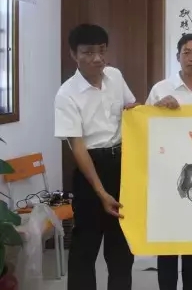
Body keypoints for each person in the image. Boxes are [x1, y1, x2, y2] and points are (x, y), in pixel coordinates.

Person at [54, 24, 138, 290]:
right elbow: (77, 147)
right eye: (88, 52)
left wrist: (157, 108)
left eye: (102, 51)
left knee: (121, 246)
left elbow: (132, 111)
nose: (97, 58)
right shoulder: (66, 94)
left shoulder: (115, 76)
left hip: (121, 165)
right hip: (90, 168)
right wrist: (101, 193)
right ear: (73, 54)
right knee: (85, 247)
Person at [146, 33, 192, 290]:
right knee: (168, 245)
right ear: (178, 57)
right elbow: (145, 127)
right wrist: (158, 109)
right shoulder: (161, 89)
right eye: (187, 52)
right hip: (168, 174)